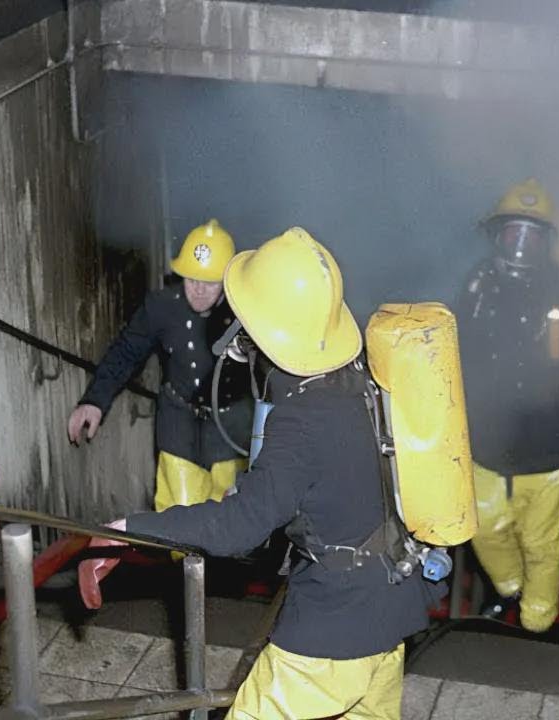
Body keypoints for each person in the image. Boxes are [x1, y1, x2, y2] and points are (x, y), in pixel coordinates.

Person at [109, 227, 442, 720]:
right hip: (391, 615)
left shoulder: (300, 423)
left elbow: (237, 528)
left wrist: (130, 528)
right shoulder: (362, 384)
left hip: (331, 639)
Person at [456, 178, 559, 632]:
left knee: (541, 542)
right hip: (485, 445)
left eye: (532, 235)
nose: (521, 245)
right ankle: (511, 591)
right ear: (496, 235)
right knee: (483, 528)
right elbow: (454, 355)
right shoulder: (477, 285)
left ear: (547, 243)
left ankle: (537, 625)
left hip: (548, 451)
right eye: (512, 233)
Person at [68, 219, 247, 511]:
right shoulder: (162, 306)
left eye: (210, 282)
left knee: (231, 520)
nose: (199, 290)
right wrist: (94, 401)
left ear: (227, 281)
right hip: (179, 424)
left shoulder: (246, 314)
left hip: (230, 429)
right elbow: (126, 352)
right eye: (192, 279)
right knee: (177, 517)